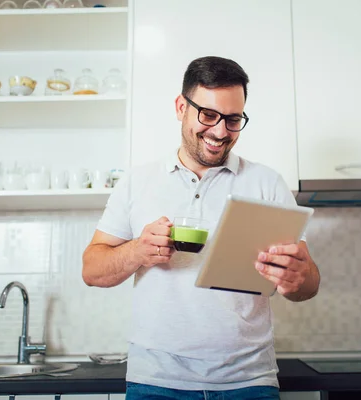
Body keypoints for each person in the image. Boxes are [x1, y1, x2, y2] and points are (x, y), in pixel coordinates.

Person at [82, 56, 320, 400]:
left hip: (249, 382)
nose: (221, 131)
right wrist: (137, 251)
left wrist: (299, 277)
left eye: (233, 119)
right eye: (208, 115)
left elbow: (307, 283)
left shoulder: (266, 183)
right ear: (181, 107)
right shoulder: (137, 183)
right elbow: (92, 270)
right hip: (156, 382)